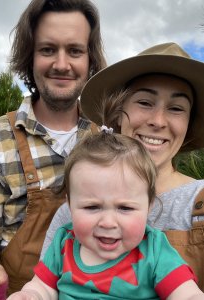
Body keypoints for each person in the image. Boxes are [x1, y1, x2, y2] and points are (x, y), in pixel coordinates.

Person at [41, 42, 204, 291]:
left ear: (188, 123)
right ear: (118, 112)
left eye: (176, 108)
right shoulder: (70, 214)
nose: (158, 121)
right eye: (145, 103)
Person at [0, 0, 106, 297]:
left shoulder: (109, 137)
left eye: (75, 50)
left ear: (90, 59)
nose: (62, 64)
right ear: (29, 57)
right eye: (48, 49)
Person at [8, 131, 204, 299]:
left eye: (125, 208)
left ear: (149, 206)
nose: (108, 222)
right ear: (70, 204)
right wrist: (31, 294)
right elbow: (42, 287)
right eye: (92, 207)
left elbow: (186, 293)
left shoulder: (155, 250)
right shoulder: (63, 244)